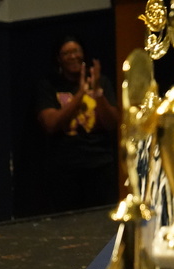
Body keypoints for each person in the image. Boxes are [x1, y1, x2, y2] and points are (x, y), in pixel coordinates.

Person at [36, 36, 120, 212]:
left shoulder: (101, 82)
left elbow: (112, 123)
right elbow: (51, 124)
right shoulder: (49, 86)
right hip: (65, 169)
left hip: (100, 166)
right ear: (59, 58)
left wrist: (97, 92)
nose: (73, 56)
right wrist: (81, 93)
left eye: (76, 51)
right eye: (66, 53)